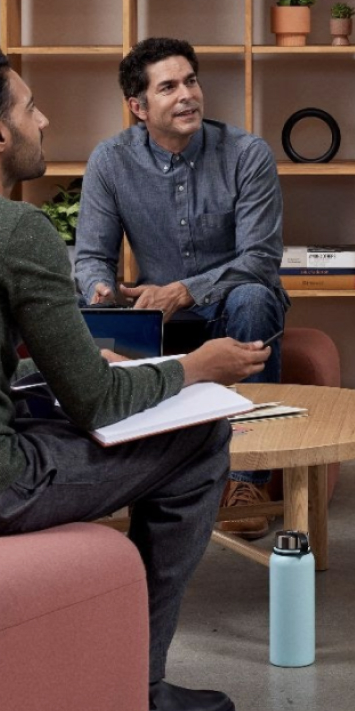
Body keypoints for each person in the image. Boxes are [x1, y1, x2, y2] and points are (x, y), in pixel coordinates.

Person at [0, 46, 270, 711]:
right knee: (199, 437)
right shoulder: (16, 228)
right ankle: (140, 689)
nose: (44, 118)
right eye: (29, 107)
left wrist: (51, 355)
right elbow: (96, 402)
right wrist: (198, 366)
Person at [74, 38, 287, 538]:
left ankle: (247, 478)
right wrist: (101, 291)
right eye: (168, 87)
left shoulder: (246, 154)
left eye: (191, 80)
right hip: (155, 319)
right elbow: (91, 258)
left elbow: (260, 260)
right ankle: (120, 468)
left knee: (254, 297)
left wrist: (184, 291)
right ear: (138, 107)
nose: (187, 95)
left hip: (230, 311)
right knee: (86, 308)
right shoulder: (110, 162)